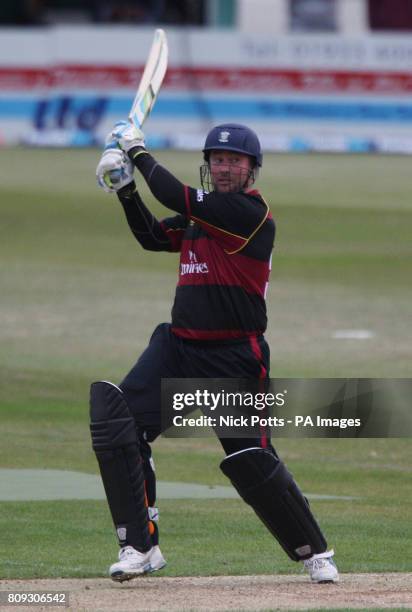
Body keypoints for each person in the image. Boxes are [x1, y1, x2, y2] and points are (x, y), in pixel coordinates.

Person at [91, 121, 339, 583]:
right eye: (217, 160)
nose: (224, 168)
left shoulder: (249, 214)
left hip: (234, 355)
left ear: (251, 171)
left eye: (234, 161)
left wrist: (137, 152)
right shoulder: (201, 220)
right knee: (118, 422)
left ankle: (315, 552)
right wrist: (125, 189)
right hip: (179, 347)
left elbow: (175, 196)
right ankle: (139, 548)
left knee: (251, 459)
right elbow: (151, 235)